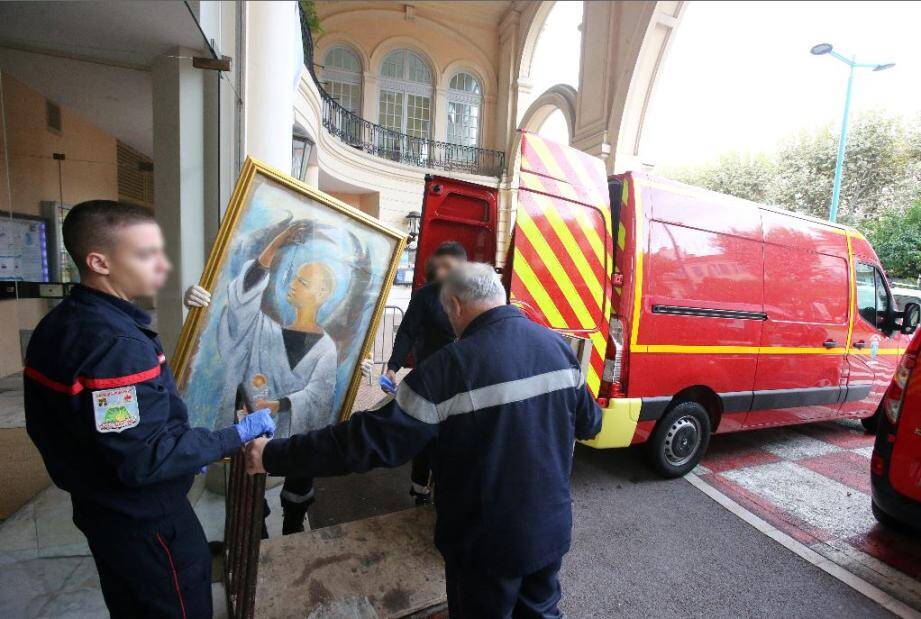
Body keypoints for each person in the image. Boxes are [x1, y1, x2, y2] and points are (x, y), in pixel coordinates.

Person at [245, 262, 602, 618]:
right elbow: (590, 424)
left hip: (485, 544)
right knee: (541, 612)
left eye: (448, 313)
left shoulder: (448, 369)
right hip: (549, 530)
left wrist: (273, 454)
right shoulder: (556, 348)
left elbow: (365, 441)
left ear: (457, 306)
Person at [24, 200, 275, 619]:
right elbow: (144, 458)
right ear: (99, 262)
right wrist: (233, 436)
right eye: (145, 254)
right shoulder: (117, 346)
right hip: (146, 523)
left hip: (105, 509)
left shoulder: (62, 323)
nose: (161, 265)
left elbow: (78, 430)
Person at [186, 220, 338, 535]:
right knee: (250, 481)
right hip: (255, 435)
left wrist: (279, 404)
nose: (293, 284)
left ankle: (293, 523)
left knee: (301, 468)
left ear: (324, 294)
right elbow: (240, 306)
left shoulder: (326, 347)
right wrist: (274, 247)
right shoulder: (262, 329)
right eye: (295, 278)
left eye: (304, 281)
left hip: (296, 437)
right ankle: (259, 535)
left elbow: (319, 397)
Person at [384, 240, 466, 504]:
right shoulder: (425, 296)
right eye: (438, 266)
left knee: (455, 436)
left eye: (447, 267)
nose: (440, 272)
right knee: (426, 432)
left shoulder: (471, 295)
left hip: (462, 378)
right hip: (429, 375)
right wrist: (393, 366)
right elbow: (407, 331)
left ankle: (449, 490)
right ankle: (420, 489)